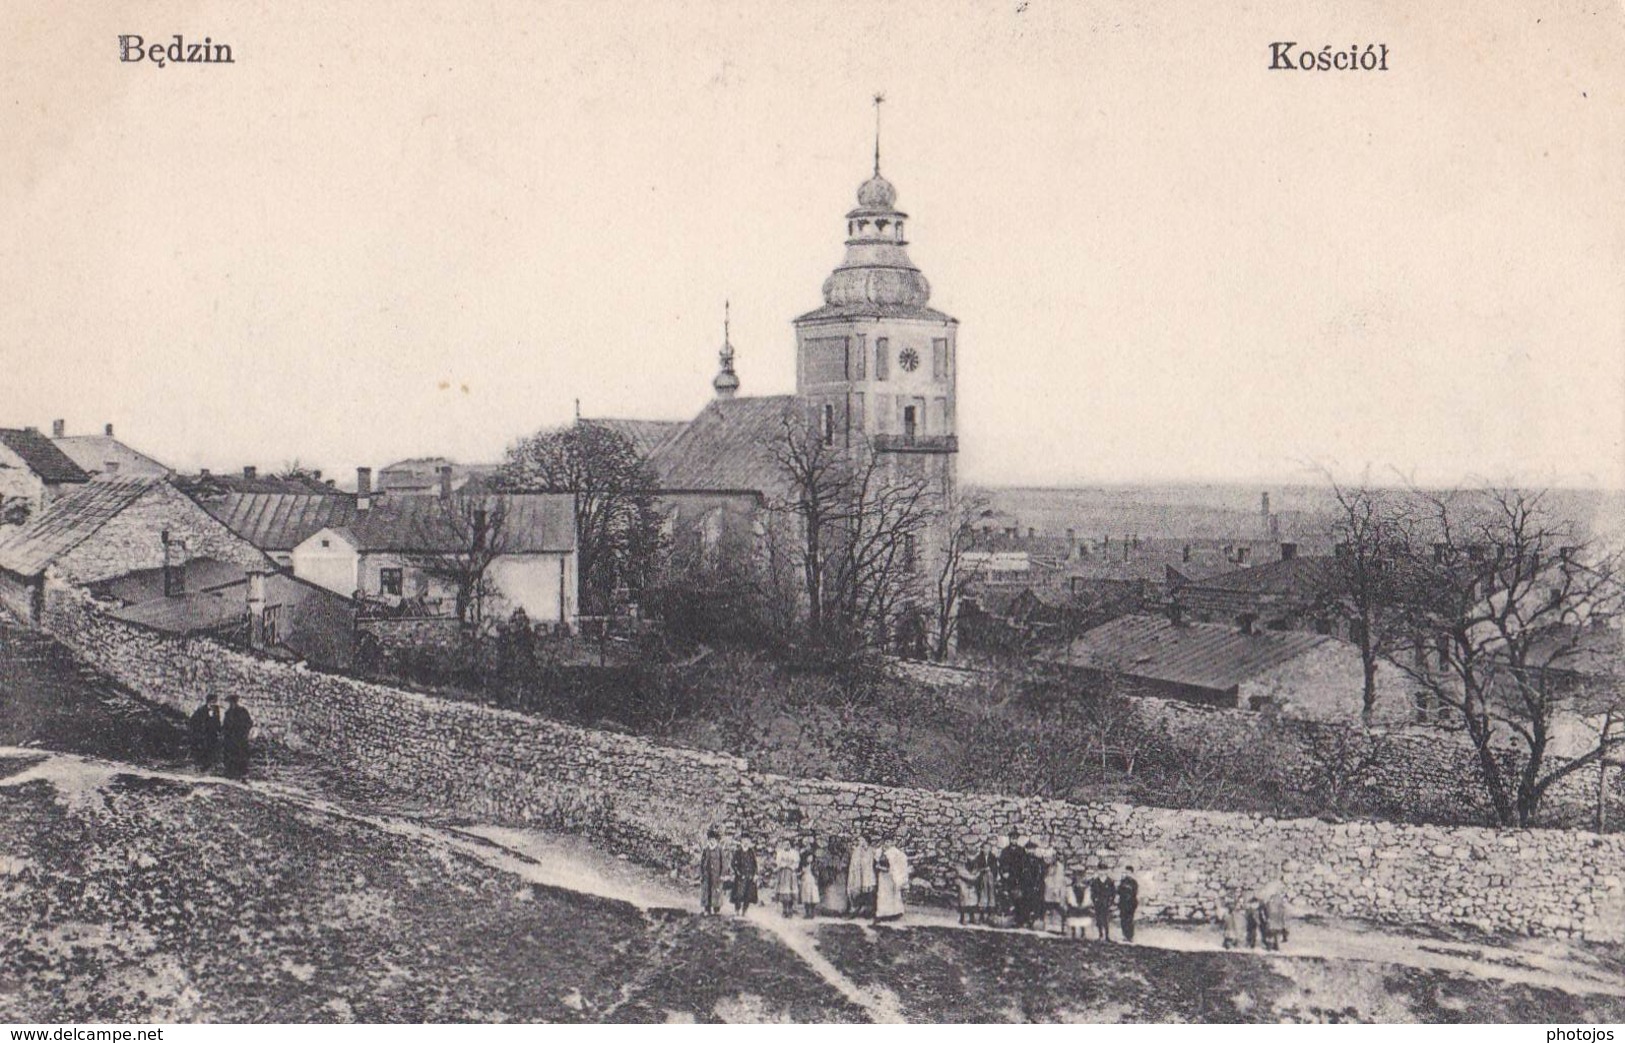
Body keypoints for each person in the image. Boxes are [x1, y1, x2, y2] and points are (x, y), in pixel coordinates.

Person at [873, 842, 908, 923]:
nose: (887, 844)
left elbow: (895, 865)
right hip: (882, 877)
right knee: (882, 895)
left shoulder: (895, 852)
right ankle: (881, 914)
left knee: (891, 895)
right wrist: (878, 867)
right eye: (885, 841)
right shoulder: (879, 851)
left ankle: (894, 913)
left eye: (889, 841)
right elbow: (876, 862)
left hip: (890, 877)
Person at [221, 694, 252, 779]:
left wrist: (244, 732)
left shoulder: (242, 711)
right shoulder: (228, 713)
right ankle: (230, 772)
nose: (231, 704)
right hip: (230, 738)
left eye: (232, 702)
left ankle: (241, 772)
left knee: (241, 754)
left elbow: (249, 723)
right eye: (230, 703)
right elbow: (225, 725)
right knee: (230, 754)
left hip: (240, 737)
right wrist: (224, 732)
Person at [846, 834, 877, 919]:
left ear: (866, 841)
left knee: (869, 893)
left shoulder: (872, 851)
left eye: (861, 840)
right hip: (859, 874)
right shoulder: (857, 851)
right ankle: (854, 910)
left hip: (869, 874)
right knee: (856, 892)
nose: (860, 842)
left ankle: (868, 912)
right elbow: (854, 863)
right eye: (859, 841)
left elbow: (876, 860)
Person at [188, 694, 221, 771]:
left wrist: (219, 730)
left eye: (215, 701)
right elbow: (193, 720)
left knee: (212, 748)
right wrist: (198, 730)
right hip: (204, 734)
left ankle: (210, 765)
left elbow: (217, 721)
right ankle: (202, 765)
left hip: (213, 733)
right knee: (204, 749)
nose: (214, 703)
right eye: (213, 702)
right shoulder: (201, 710)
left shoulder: (216, 709)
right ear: (208, 702)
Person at [817, 838, 850, 917]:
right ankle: (830, 909)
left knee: (840, 892)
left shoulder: (844, 854)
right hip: (831, 875)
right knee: (830, 892)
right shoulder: (827, 853)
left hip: (841, 876)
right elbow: (824, 863)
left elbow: (845, 863)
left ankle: (841, 909)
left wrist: (840, 866)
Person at [997, 833, 1024, 925]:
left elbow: (1023, 865)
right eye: (1012, 839)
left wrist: (1019, 876)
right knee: (1004, 893)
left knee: (1019, 896)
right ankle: (1007, 917)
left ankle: (1019, 919)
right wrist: (1003, 873)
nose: (1014, 841)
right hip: (1007, 878)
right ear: (1009, 839)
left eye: (1015, 839)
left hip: (1018, 878)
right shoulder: (1005, 851)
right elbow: (1001, 865)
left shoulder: (1021, 851)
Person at [971, 839, 1001, 925]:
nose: (986, 850)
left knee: (991, 894)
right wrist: (984, 869)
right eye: (985, 848)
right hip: (981, 880)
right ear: (982, 849)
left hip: (990, 880)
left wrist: (990, 870)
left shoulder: (993, 858)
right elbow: (976, 869)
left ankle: (991, 913)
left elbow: (995, 868)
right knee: (983, 894)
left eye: (988, 848)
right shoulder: (979, 858)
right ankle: (982, 914)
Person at [699, 828, 726, 916]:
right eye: (710, 839)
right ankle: (707, 909)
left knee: (716, 892)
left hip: (716, 875)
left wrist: (722, 874)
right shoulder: (706, 850)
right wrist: (702, 874)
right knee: (707, 892)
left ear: (716, 840)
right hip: (707, 875)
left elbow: (724, 863)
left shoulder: (719, 850)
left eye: (713, 839)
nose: (712, 841)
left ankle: (716, 910)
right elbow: (702, 863)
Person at [1018, 839, 1045, 929]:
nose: (1031, 851)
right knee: (1025, 903)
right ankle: (1024, 921)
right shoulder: (1022, 860)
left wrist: (1037, 885)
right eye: (1029, 849)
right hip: (1025, 886)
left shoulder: (1039, 861)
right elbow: (1018, 873)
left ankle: (1034, 921)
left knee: (1036, 903)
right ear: (1026, 850)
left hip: (1035, 886)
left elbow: (1041, 874)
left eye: (1033, 849)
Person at [1043, 849, 1070, 933]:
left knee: (1059, 908)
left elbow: (1059, 879)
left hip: (1056, 891)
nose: (1048, 860)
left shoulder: (1059, 867)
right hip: (1049, 890)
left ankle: (1062, 926)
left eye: (1049, 858)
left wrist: (1056, 889)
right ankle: (1050, 926)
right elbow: (1047, 878)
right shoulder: (1048, 867)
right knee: (1049, 908)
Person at [730, 838, 759, 916]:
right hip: (740, 877)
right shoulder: (738, 852)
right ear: (741, 842)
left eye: (747, 841)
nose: (746, 843)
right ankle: (737, 909)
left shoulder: (751, 852)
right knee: (738, 894)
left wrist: (755, 874)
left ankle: (744, 910)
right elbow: (733, 864)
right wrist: (738, 873)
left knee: (748, 895)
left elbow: (755, 864)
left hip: (749, 876)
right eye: (744, 841)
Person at [773, 839, 800, 918]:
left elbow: (796, 863)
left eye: (788, 844)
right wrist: (784, 865)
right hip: (783, 874)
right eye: (784, 844)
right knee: (784, 892)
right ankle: (785, 910)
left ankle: (790, 909)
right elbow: (778, 862)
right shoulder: (780, 853)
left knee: (791, 892)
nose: (786, 846)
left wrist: (791, 866)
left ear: (790, 845)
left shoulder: (794, 853)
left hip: (791, 873)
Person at [1089, 864, 1115, 941]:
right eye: (1100, 870)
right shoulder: (1095, 881)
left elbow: (1113, 892)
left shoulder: (1109, 881)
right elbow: (1092, 892)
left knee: (1105, 919)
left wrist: (1110, 901)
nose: (1102, 872)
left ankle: (1107, 936)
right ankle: (1100, 934)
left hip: (1106, 903)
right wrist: (1094, 900)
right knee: (1098, 919)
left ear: (1106, 871)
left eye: (1103, 870)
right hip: (1098, 903)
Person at [1117, 865, 1140, 943]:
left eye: (1129, 872)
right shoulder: (1122, 881)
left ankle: (1130, 936)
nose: (1127, 874)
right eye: (1126, 872)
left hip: (1130, 903)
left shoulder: (1134, 883)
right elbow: (1119, 891)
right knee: (1123, 920)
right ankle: (1124, 935)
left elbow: (1134, 893)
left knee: (1129, 920)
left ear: (1132, 873)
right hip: (1123, 903)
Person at [956, 856, 981, 925]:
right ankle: (964, 918)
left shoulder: (976, 865)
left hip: (973, 884)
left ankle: (974, 918)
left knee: (974, 900)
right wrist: (971, 877)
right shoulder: (960, 865)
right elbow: (961, 873)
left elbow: (977, 873)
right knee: (964, 898)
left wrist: (974, 877)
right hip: (963, 883)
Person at [798, 843, 821, 919]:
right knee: (806, 896)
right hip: (805, 880)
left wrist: (816, 879)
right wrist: (800, 875)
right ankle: (807, 912)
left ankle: (812, 912)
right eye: (808, 857)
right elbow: (800, 872)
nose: (810, 859)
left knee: (813, 896)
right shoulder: (803, 865)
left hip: (812, 881)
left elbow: (817, 873)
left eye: (811, 857)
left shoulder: (814, 865)